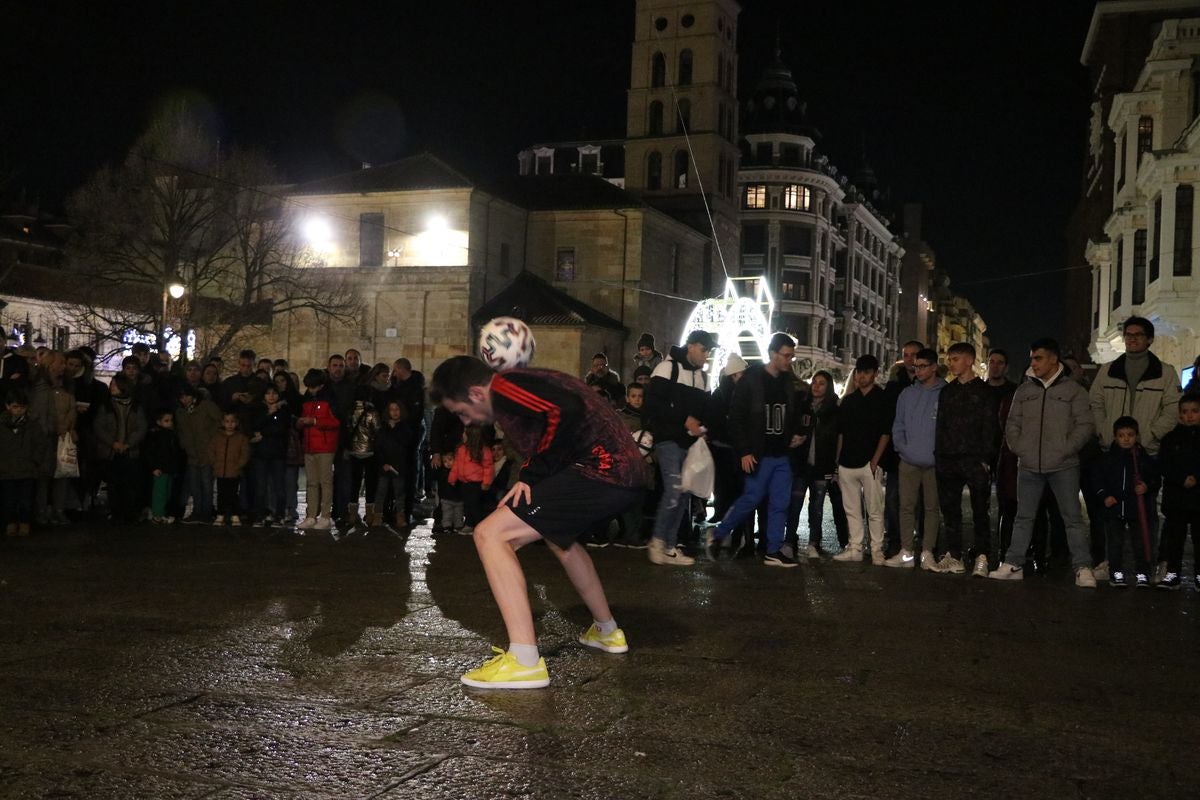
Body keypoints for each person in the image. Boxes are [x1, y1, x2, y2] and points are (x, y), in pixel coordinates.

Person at [431, 355, 644, 689]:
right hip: (618, 470)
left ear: (475, 393)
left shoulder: (503, 387)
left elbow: (566, 410)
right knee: (559, 538)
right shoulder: (522, 384)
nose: (465, 421)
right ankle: (607, 631)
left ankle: (524, 660)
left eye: (461, 411)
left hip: (603, 470)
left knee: (491, 534)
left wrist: (534, 474)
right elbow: (556, 424)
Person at [989, 338, 1098, 587]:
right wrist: (1020, 449)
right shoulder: (1024, 391)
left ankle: (1083, 567)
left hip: (1064, 465)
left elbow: (1085, 425)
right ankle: (1013, 563)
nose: (1033, 363)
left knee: (1072, 517)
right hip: (1028, 465)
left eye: (1038, 358)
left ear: (1053, 359)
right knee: (1023, 517)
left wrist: (1066, 449)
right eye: (1032, 358)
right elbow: (1012, 424)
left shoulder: (1073, 391)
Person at [704, 333, 803, 566]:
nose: (789, 360)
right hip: (761, 453)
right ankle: (718, 534)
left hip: (781, 452)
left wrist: (794, 434)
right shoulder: (753, 379)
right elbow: (736, 418)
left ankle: (772, 550)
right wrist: (745, 451)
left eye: (791, 356)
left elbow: (793, 412)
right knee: (751, 498)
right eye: (786, 356)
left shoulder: (787, 381)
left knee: (779, 502)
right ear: (773, 354)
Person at [644, 330, 715, 566]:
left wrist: (703, 430)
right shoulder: (667, 368)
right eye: (704, 350)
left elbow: (705, 412)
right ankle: (657, 541)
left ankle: (670, 547)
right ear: (691, 346)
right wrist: (685, 419)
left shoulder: (703, 379)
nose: (706, 355)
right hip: (667, 440)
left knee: (683, 493)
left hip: (690, 444)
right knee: (675, 490)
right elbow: (652, 404)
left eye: (708, 351)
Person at [934, 342, 998, 577]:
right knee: (950, 511)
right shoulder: (947, 391)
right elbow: (940, 425)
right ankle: (955, 556)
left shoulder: (984, 391)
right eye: (950, 359)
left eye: (956, 358)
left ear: (969, 360)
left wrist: (985, 459)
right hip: (948, 459)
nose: (951, 363)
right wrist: (939, 456)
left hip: (974, 460)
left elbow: (990, 426)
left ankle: (982, 557)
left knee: (981, 510)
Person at [887, 348, 945, 570]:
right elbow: (898, 424)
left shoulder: (944, 392)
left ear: (933, 367)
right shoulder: (907, 394)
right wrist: (902, 448)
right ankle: (907, 551)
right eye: (915, 367)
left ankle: (928, 552)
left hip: (933, 462)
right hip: (909, 460)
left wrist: (938, 454)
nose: (917, 370)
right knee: (906, 507)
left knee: (931, 508)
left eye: (922, 366)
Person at [833, 354, 893, 564]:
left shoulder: (882, 398)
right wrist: (838, 460)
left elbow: (886, 432)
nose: (861, 376)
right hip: (847, 462)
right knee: (851, 509)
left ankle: (877, 549)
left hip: (869, 463)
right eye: (859, 372)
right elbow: (841, 432)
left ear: (875, 374)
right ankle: (856, 547)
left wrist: (875, 461)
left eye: (867, 372)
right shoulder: (849, 400)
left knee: (874, 509)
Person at [1090, 416, 1159, 588]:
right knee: (1115, 543)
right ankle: (1116, 573)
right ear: (1115, 437)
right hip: (1114, 509)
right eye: (1122, 435)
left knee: (1140, 542)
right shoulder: (1107, 459)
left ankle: (1142, 573)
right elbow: (1097, 480)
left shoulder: (1143, 459)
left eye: (1130, 435)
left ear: (1137, 436)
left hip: (1136, 509)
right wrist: (1104, 496)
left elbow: (1155, 478)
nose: (1126, 439)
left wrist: (1146, 487)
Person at [786, 369, 847, 558]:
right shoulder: (803, 406)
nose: (816, 386)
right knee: (794, 504)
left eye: (821, 383)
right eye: (814, 382)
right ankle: (789, 540)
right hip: (801, 464)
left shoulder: (834, 410)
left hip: (823, 465)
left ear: (828, 386)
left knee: (817, 506)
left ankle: (814, 542)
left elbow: (839, 437)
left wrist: (836, 463)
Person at [1155, 392, 1200, 590]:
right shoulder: (1170, 439)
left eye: (1195, 411)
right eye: (1185, 412)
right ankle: (1172, 575)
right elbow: (1164, 464)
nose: (1190, 416)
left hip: (1197, 498)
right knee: (1175, 540)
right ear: (1179, 414)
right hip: (1177, 499)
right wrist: (1182, 478)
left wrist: (1195, 477)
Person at [882, 340, 923, 556]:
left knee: (919, 501)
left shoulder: (930, 384)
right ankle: (894, 540)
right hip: (897, 454)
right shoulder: (893, 386)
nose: (909, 359)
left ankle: (918, 541)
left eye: (914, 355)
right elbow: (889, 419)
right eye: (906, 355)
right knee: (893, 499)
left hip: (922, 452)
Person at [93, 374, 147, 525]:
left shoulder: (136, 406)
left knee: (129, 483)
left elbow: (141, 427)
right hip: (111, 451)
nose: (111, 387)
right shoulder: (106, 405)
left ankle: (128, 511)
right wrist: (113, 443)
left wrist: (129, 443)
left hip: (130, 451)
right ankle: (116, 511)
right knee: (113, 483)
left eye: (114, 385)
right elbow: (99, 426)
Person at [986, 349, 1019, 560]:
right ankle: (983, 549)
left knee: (1008, 503)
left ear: (1006, 367)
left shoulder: (1014, 392)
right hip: (984, 452)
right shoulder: (980, 390)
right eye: (992, 362)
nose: (995, 366)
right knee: (981, 505)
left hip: (1007, 453)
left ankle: (1005, 547)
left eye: (1000, 362)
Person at [297, 369, 339, 531]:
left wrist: (314, 421)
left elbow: (335, 421)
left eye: (313, 387)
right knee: (312, 483)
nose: (311, 390)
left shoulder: (330, 399)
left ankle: (326, 515)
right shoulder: (308, 400)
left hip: (325, 447)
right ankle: (311, 515)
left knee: (325, 482)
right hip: (310, 446)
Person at [0, 388, 47, 536]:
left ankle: (24, 522)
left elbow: (40, 444)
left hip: (27, 468)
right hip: (6, 468)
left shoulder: (33, 425)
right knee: (9, 498)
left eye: (21, 407)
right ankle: (11, 522)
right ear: (7, 406)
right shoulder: (2, 425)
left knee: (25, 498)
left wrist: (35, 460)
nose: (18, 410)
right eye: (15, 406)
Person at [176, 385, 221, 525]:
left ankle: (206, 512)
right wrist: (186, 446)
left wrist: (211, 441)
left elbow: (219, 422)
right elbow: (181, 432)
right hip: (192, 452)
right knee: (195, 484)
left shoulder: (206, 406)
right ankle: (197, 511)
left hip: (207, 451)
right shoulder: (181, 412)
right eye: (182, 397)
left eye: (187, 396)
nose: (185, 399)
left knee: (206, 483)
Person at [250, 386, 293, 527]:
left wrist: (263, 433)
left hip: (277, 453)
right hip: (261, 454)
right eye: (268, 393)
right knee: (261, 487)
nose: (271, 396)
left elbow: (280, 429)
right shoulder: (259, 409)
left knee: (279, 486)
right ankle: (260, 514)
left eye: (274, 393)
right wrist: (269, 414)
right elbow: (255, 425)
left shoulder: (284, 411)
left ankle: (279, 514)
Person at [374, 400, 413, 529]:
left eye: (397, 409)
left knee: (399, 493)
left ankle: (400, 516)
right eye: (392, 409)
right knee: (381, 491)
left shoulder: (405, 427)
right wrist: (383, 463)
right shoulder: (382, 428)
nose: (395, 412)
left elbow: (405, 445)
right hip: (384, 465)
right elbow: (378, 447)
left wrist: (395, 429)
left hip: (399, 465)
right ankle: (378, 515)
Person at [210, 412, 250, 526]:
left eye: (232, 422)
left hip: (234, 471)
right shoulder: (217, 437)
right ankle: (220, 514)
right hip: (221, 471)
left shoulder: (241, 438)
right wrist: (215, 463)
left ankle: (235, 514)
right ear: (223, 423)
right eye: (227, 421)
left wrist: (239, 465)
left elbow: (245, 453)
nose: (230, 424)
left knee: (233, 494)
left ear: (236, 423)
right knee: (221, 493)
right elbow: (211, 451)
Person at [144, 410, 183, 524]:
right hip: (160, 468)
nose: (169, 423)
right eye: (166, 421)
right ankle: (157, 514)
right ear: (159, 422)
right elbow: (150, 453)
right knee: (160, 492)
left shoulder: (171, 435)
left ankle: (161, 513)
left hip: (168, 468)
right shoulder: (156, 435)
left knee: (166, 492)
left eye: (171, 420)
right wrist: (154, 467)